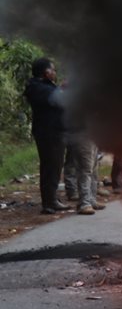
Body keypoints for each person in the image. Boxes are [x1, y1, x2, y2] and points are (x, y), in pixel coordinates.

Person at [23, 57, 69, 215]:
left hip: (54, 131)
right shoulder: (37, 87)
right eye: (53, 70)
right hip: (48, 133)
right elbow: (57, 99)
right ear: (46, 72)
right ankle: (49, 203)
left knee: (54, 167)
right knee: (51, 166)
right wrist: (63, 89)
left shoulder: (44, 86)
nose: (55, 73)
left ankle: (52, 199)